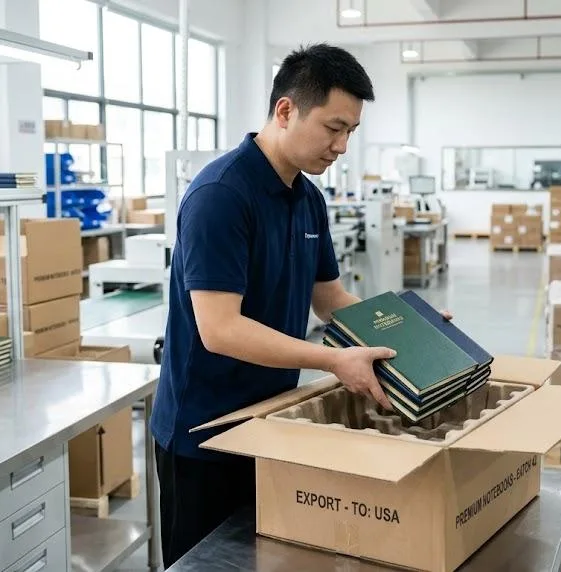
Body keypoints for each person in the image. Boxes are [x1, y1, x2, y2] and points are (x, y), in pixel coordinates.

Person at [150, 44, 449, 567]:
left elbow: (330, 298)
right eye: (334, 128)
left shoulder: (308, 198)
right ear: (285, 111)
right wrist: (334, 360)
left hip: (269, 422)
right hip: (203, 437)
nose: (341, 146)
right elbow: (219, 330)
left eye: (351, 132)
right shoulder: (221, 196)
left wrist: (410, 330)